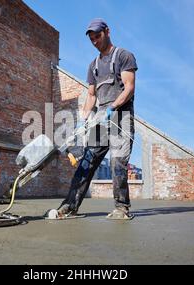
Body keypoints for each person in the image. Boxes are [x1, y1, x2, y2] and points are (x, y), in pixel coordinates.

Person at [56, 18, 138, 220]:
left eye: (98, 36)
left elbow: (129, 88)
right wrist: (83, 120)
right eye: (91, 39)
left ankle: (122, 208)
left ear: (107, 31)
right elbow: (91, 95)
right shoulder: (93, 66)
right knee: (87, 161)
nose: (95, 42)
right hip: (100, 122)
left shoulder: (124, 56)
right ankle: (70, 206)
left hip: (121, 119)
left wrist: (112, 107)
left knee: (117, 163)